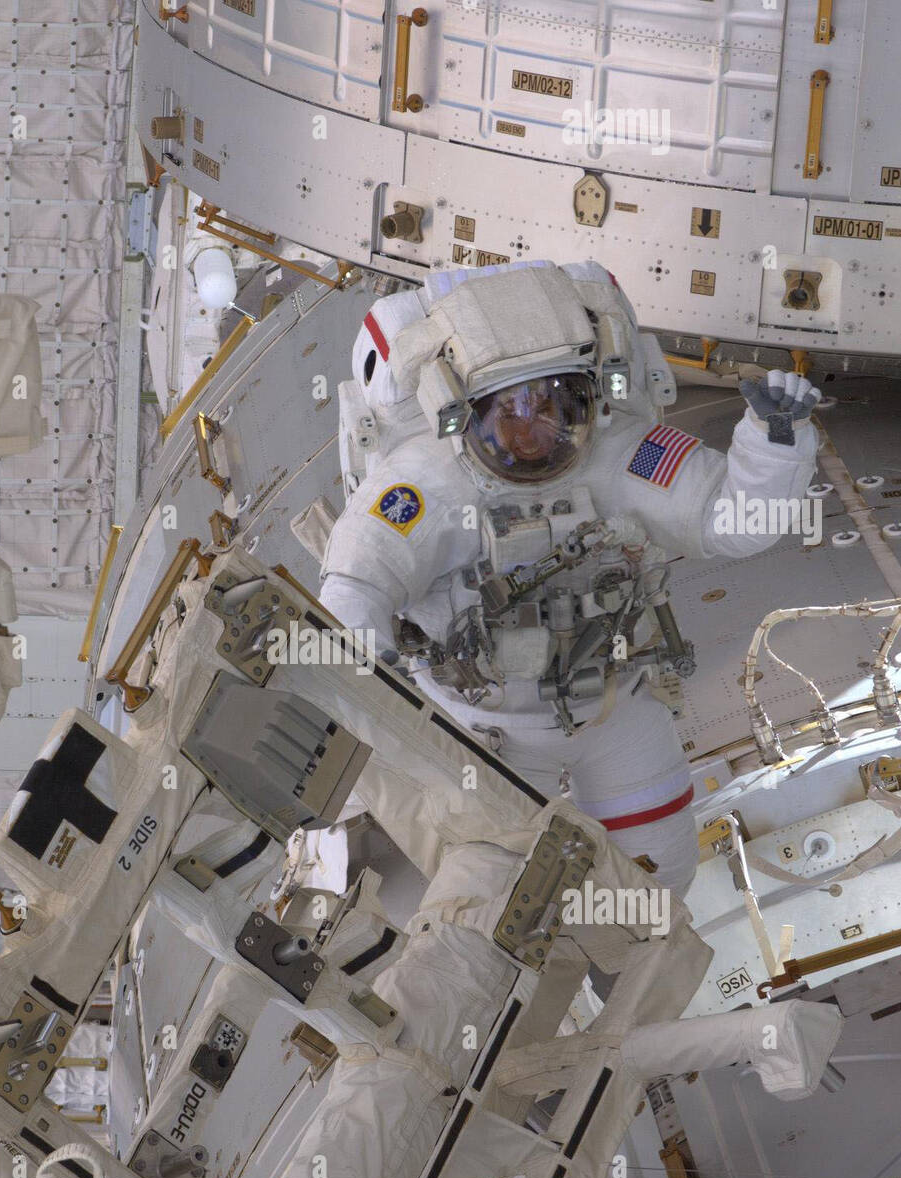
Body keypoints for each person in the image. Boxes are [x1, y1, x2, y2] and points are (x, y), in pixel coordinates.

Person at [320, 262, 822, 895]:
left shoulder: (623, 452)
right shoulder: (425, 484)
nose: (536, 428)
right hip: (485, 727)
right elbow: (355, 589)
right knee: (503, 894)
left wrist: (775, 441)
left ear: (588, 394)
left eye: (554, 401)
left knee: (655, 884)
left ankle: (628, 980)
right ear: (461, 413)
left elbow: (735, 523)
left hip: (615, 709)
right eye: (511, 410)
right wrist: (375, 676)